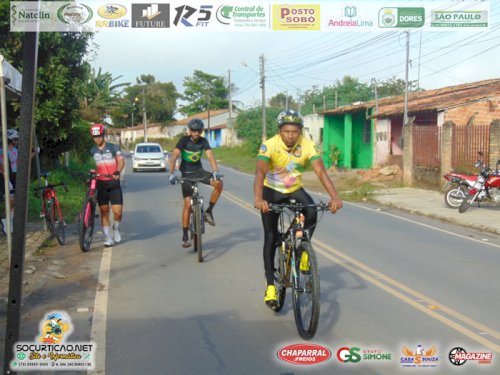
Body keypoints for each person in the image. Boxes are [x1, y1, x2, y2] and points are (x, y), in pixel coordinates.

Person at [253, 110, 343, 308]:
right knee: (270, 236)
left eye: (295, 131)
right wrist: (259, 198)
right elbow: (260, 172)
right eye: (286, 131)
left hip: (294, 189)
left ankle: (302, 250)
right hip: (272, 191)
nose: (291, 135)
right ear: (280, 131)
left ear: (300, 131)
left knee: (312, 212)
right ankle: (270, 286)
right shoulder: (269, 145)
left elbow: (320, 171)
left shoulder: (307, 144)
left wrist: (334, 196)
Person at [169, 118, 223, 248]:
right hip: (186, 175)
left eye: (199, 131)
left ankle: (209, 211)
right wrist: (171, 173)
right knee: (188, 204)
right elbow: (175, 155)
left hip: (199, 172)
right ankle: (185, 236)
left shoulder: (203, 141)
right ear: (189, 130)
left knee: (218, 183)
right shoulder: (184, 140)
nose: (196, 133)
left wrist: (215, 171)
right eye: (194, 131)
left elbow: (210, 156)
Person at [90, 123, 125, 247]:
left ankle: (116, 227)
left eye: (99, 136)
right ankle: (108, 238)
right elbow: (90, 165)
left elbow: (121, 160)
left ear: (103, 135)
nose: (97, 139)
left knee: (118, 213)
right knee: (104, 211)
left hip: (113, 182)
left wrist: (117, 171)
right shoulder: (92, 150)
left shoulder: (113, 147)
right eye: (94, 137)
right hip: (100, 183)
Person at [0, 129, 19, 234]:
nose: (17, 141)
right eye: (15, 139)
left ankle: (9, 222)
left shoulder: (15, 150)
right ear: (11, 140)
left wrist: (35, 153)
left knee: (16, 201)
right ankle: (6, 221)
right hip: (5, 178)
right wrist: (7, 180)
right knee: (10, 200)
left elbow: (22, 161)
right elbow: (2, 166)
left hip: (14, 177)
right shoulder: (3, 150)